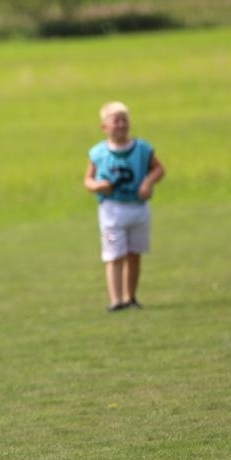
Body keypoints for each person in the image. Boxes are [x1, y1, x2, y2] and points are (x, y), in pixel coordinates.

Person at [84, 100, 165, 312]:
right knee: (113, 253)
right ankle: (116, 300)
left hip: (138, 211)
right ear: (105, 127)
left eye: (124, 120)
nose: (120, 125)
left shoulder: (142, 149)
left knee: (134, 253)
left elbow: (159, 170)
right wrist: (99, 185)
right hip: (111, 214)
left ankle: (131, 297)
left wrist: (148, 182)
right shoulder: (98, 153)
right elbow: (88, 181)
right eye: (115, 121)